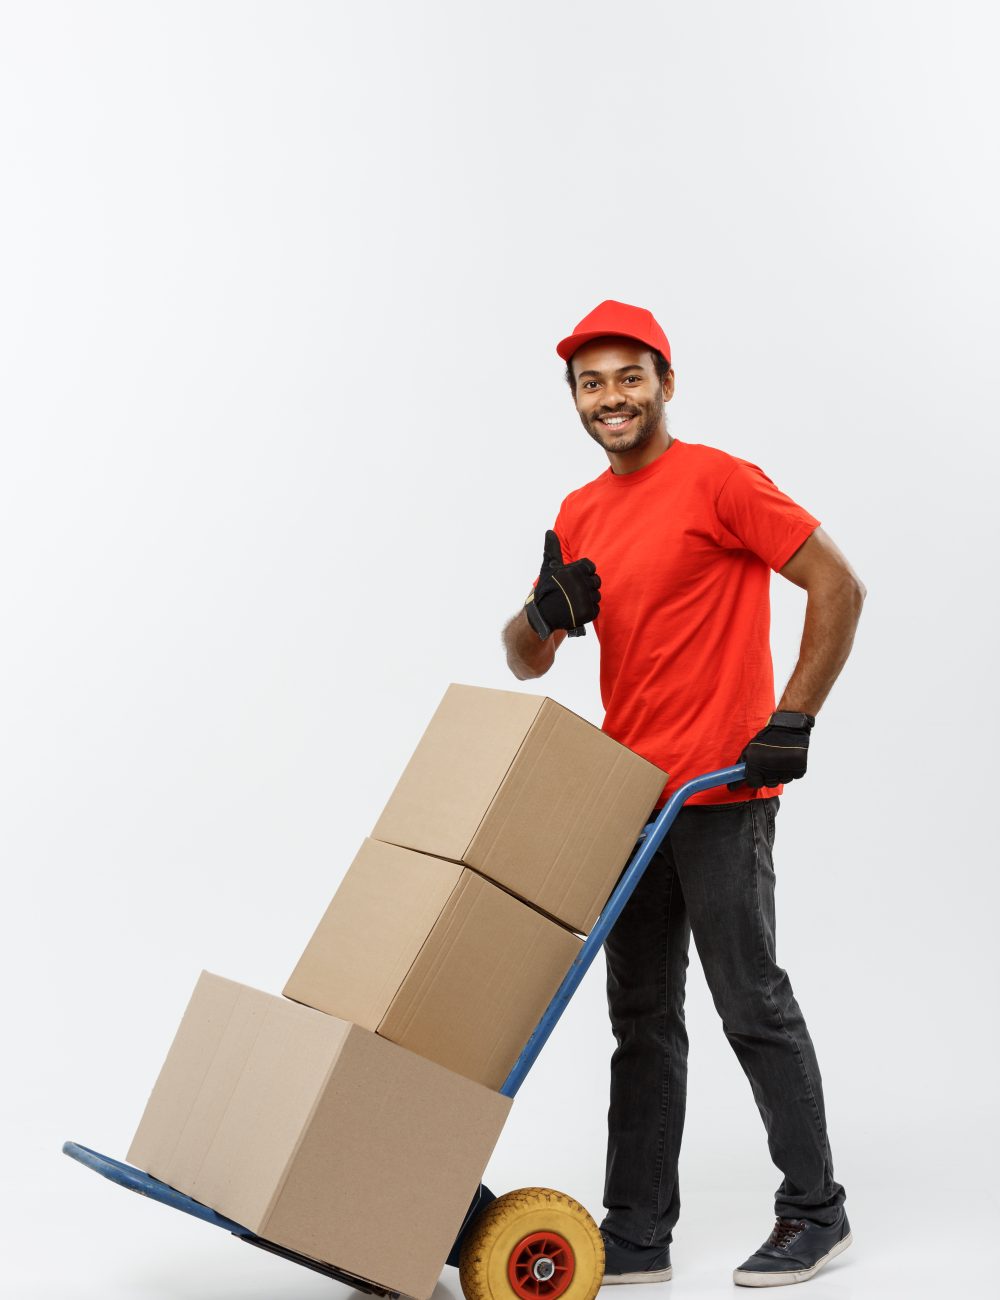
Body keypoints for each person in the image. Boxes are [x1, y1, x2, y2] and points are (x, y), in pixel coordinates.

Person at [501, 300, 865, 1289]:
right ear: (573, 397)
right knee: (642, 1018)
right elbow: (525, 659)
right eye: (591, 382)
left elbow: (837, 584)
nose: (610, 397)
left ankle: (815, 1213)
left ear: (664, 381)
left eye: (628, 376)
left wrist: (793, 716)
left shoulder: (718, 481)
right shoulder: (578, 512)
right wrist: (542, 612)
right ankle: (635, 1234)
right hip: (630, 801)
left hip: (721, 790)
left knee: (752, 1001)